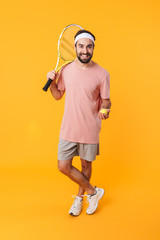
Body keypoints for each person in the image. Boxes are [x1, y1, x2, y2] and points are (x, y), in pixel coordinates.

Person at [47, 29, 111, 216]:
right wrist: (51, 83)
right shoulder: (66, 70)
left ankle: (80, 197)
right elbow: (58, 95)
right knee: (63, 166)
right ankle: (93, 192)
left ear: (93, 48)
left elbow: (106, 100)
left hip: (89, 129)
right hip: (68, 128)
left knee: (85, 165)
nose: (85, 50)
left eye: (89, 46)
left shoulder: (102, 74)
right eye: (81, 46)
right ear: (75, 47)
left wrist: (105, 110)